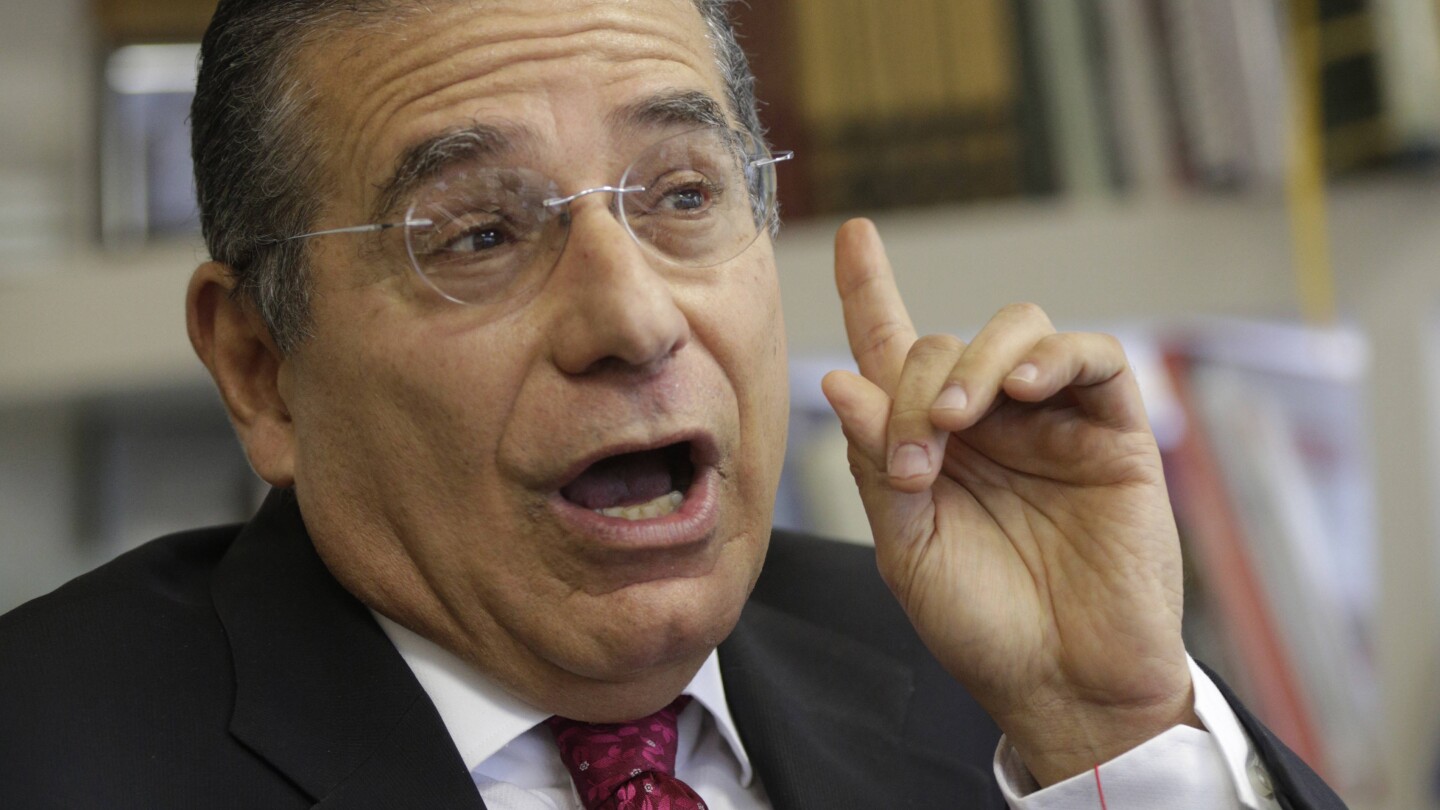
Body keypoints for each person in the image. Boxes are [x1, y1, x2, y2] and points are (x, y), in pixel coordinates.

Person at [0, 0, 1345, 807]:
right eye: (478, 233)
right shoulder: (47, 751)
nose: (636, 319)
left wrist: (1109, 734)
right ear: (259, 367)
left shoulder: (981, 680)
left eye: (685, 194)